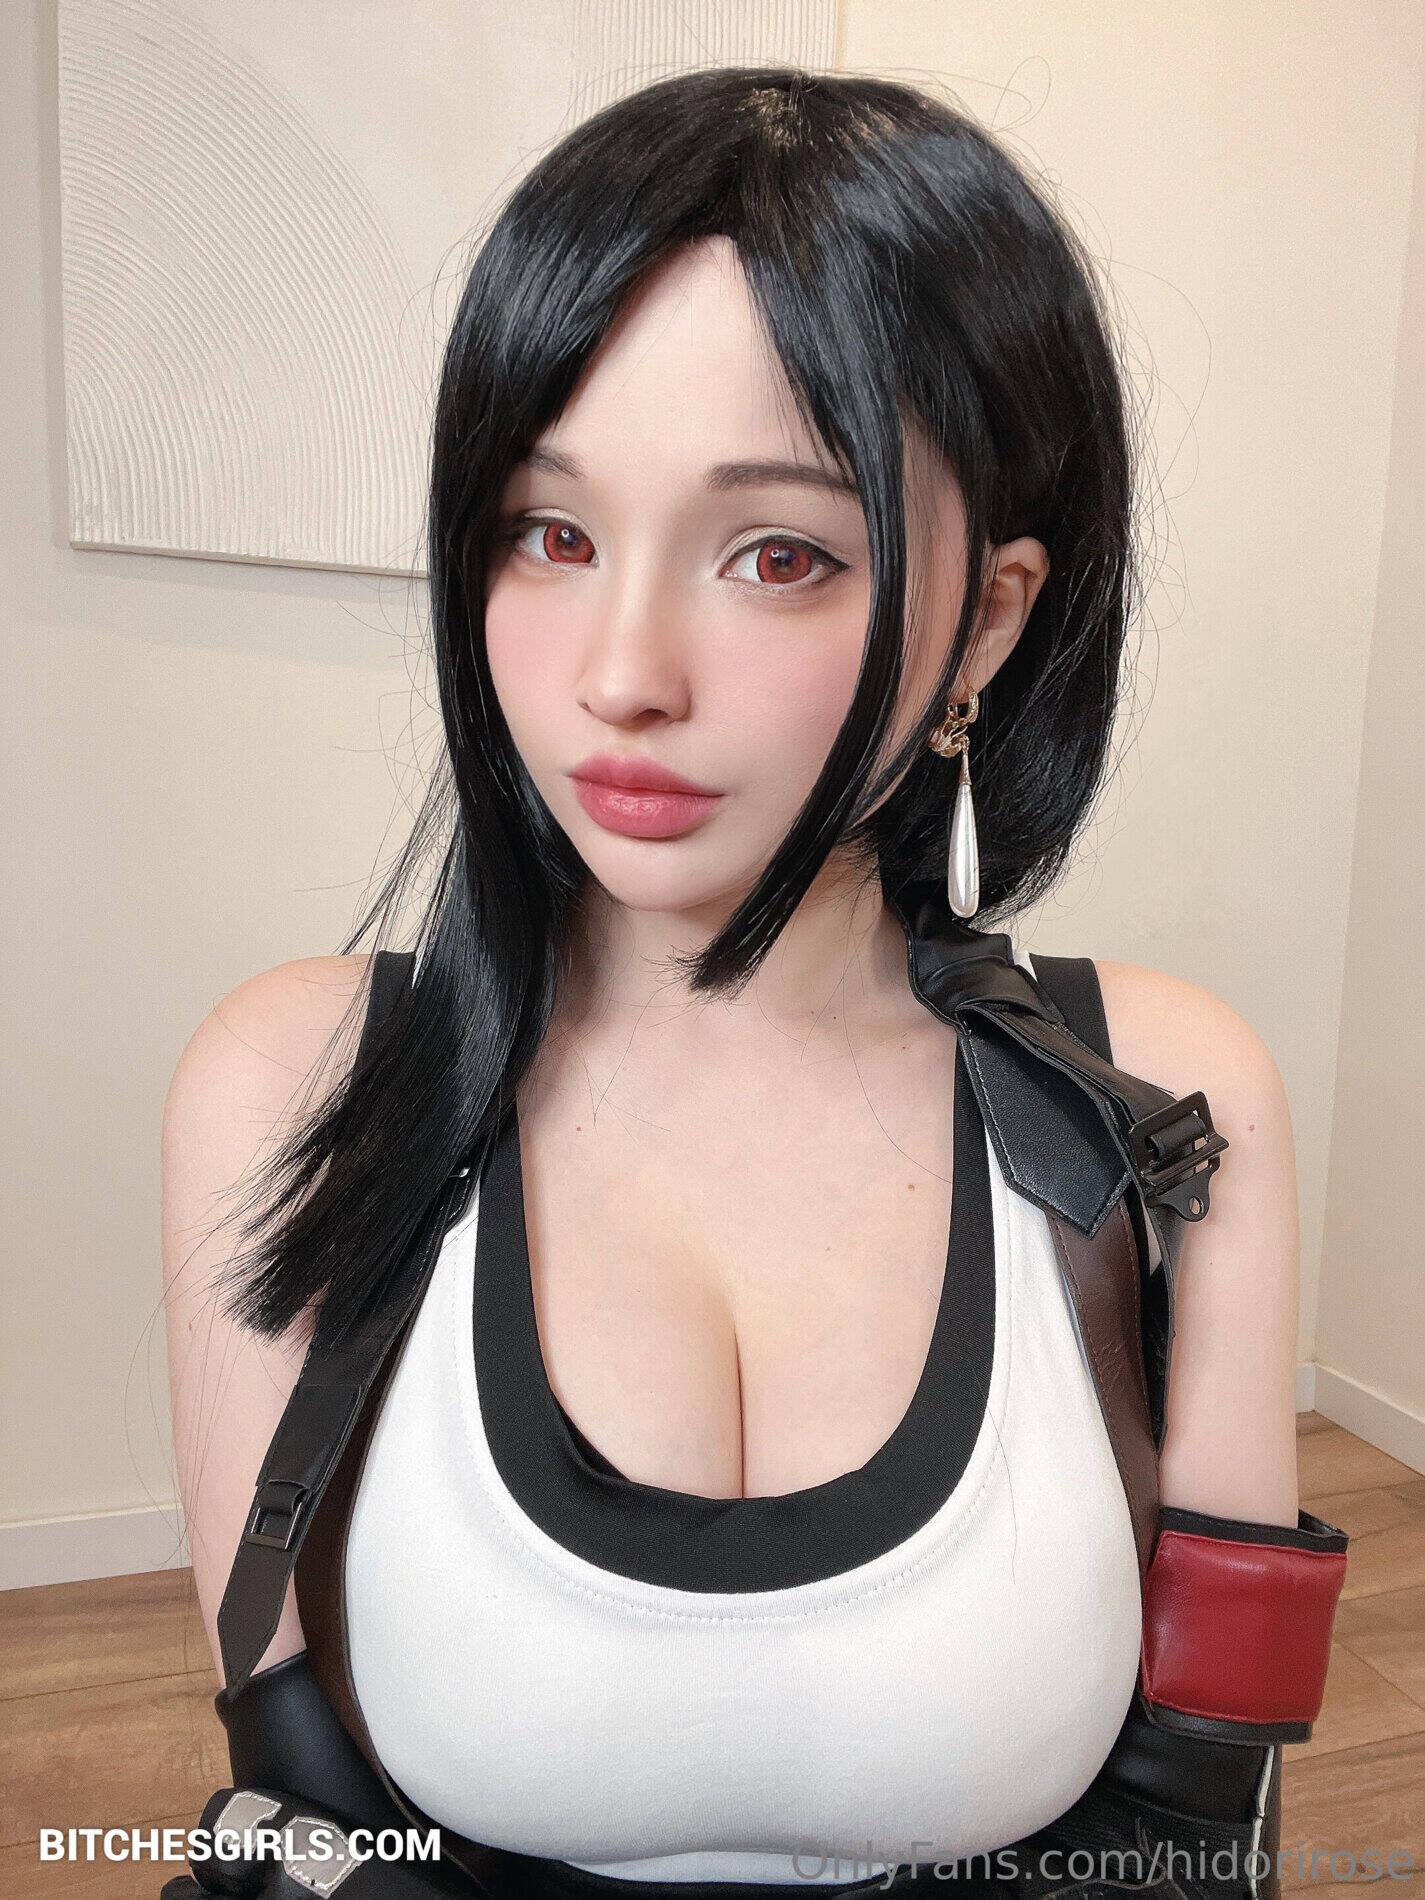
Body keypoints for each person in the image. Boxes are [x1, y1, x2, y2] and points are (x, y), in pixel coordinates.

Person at [159, 67, 1346, 1900]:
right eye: (550, 533)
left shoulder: (1165, 1109)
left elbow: (1198, 1823)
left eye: (777, 555)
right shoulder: (296, 1085)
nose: (620, 673)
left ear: (992, 617)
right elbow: (304, 1813)